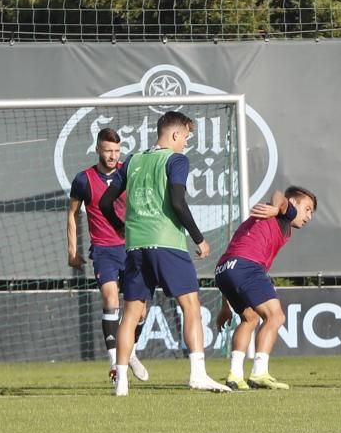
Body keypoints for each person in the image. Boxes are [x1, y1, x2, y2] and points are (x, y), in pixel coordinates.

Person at [99, 110, 230, 396]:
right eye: (185, 136)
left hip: (135, 246)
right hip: (167, 244)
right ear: (174, 134)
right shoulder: (176, 159)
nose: (186, 143)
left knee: (131, 312)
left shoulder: (132, 160)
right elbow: (178, 202)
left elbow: (106, 201)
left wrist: (121, 228)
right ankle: (198, 374)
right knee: (191, 306)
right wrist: (199, 239)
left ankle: (120, 381)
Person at [67, 127, 148, 384]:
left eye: (116, 150)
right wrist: (72, 251)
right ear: (98, 150)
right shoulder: (83, 179)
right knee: (110, 298)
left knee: (141, 311)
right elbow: (71, 214)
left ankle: (130, 352)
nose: (112, 155)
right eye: (108, 151)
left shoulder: (130, 172)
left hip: (132, 247)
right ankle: (115, 363)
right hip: (103, 250)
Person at [215, 186, 317, 390]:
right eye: (308, 209)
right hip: (246, 266)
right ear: (294, 204)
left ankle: (235, 375)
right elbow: (280, 194)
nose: (309, 216)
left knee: (250, 318)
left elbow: (233, 262)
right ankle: (259, 373)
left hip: (224, 270)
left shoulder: (265, 225)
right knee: (276, 317)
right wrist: (275, 207)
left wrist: (225, 306)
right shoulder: (284, 212)